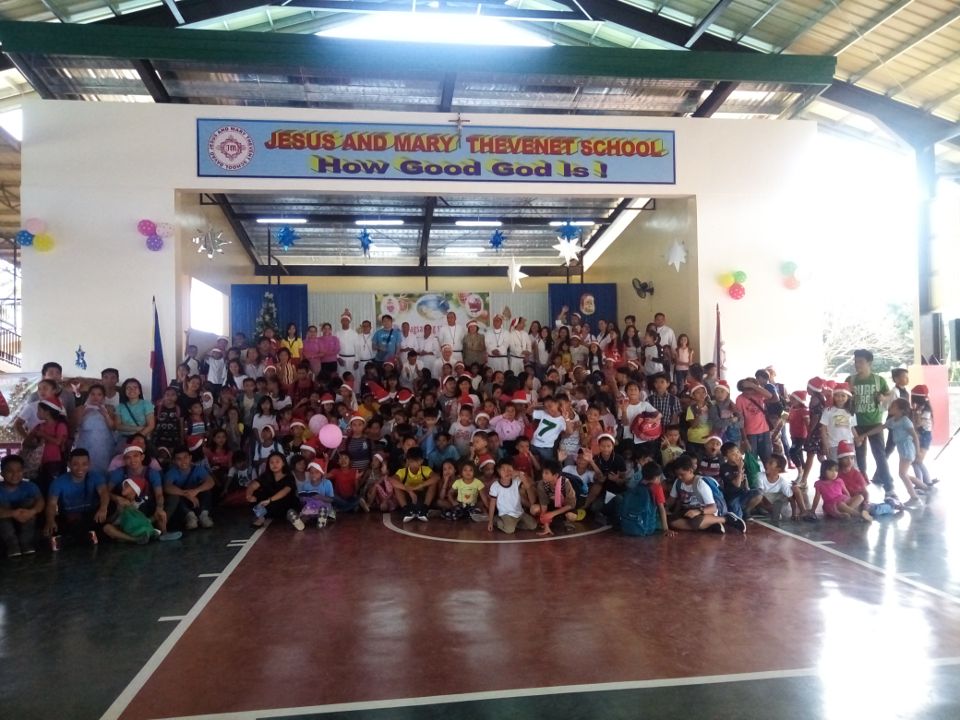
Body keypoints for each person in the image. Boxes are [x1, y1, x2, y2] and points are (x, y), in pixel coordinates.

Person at [845, 349, 894, 494]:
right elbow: (842, 400)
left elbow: (889, 395)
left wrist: (883, 399)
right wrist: (850, 396)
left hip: (875, 423)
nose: (857, 365)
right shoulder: (850, 380)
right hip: (855, 423)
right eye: (855, 361)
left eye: (860, 362)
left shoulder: (879, 380)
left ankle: (889, 486)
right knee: (859, 456)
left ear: (869, 363)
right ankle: (861, 485)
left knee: (880, 455)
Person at [862, 398, 924, 508]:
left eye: (893, 406)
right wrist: (865, 434)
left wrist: (918, 451)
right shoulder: (893, 420)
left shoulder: (905, 421)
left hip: (907, 448)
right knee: (904, 474)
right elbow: (880, 427)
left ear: (901, 410)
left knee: (902, 474)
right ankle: (924, 486)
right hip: (902, 449)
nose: (890, 407)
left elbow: (914, 436)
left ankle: (914, 498)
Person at [45, 448, 110, 551]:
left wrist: (103, 508)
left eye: (84, 464)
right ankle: (87, 536)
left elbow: (104, 493)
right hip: (69, 517)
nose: (80, 468)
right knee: (53, 527)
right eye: (75, 464)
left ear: (89, 464)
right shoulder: (58, 482)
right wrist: (50, 520)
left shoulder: (96, 477)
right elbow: (52, 504)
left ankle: (71, 539)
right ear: (69, 464)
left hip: (90, 516)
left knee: (110, 510)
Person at [667, 455, 745, 534]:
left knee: (696, 522)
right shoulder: (678, 482)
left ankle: (726, 519)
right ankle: (709, 525)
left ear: (690, 471)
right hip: (688, 512)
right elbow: (671, 500)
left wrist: (698, 511)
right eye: (677, 475)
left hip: (705, 511)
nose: (679, 477)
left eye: (682, 474)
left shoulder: (700, 484)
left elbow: (713, 508)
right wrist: (663, 508)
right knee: (670, 521)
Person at [0, 455, 44, 557]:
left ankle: (26, 542)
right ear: (2, 473)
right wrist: (13, 513)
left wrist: (32, 511)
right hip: (5, 523)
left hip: (26, 519)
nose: (15, 474)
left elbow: (41, 502)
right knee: (2, 506)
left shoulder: (30, 486)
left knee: (30, 502)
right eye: (10, 471)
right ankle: (12, 544)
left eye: (19, 470)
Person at [246, 452, 303, 530]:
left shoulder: (289, 476)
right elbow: (253, 485)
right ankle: (261, 517)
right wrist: (249, 495)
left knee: (285, 504)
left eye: (277, 462)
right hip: (270, 505)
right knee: (256, 495)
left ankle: (292, 517)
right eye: (271, 462)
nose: (274, 464)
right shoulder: (266, 476)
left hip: (285, 503)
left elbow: (285, 491)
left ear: (283, 463)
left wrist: (270, 500)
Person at [163, 447, 216, 530]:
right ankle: (190, 517)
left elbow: (210, 482)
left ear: (190, 458)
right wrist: (186, 494)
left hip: (197, 500)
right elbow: (167, 487)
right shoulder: (172, 472)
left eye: (185, 457)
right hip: (184, 502)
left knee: (207, 491)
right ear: (174, 461)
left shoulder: (198, 469)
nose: (183, 461)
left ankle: (204, 515)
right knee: (175, 496)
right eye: (179, 459)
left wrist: (196, 491)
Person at [73, 383, 118, 475]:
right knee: (85, 468)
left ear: (103, 397)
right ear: (88, 395)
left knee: (104, 469)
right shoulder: (80, 408)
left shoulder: (109, 408)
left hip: (105, 444)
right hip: (85, 443)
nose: (95, 397)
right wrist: (83, 413)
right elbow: (75, 426)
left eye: (99, 394)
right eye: (92, 394)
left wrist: (105, 414)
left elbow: (113, 427)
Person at [485, 458, 537, 534]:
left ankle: (514, 524)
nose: (507, 472)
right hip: (505, 514)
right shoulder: (495, 486)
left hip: (519, 513)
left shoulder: (516, 481)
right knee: (509, 530)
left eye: (509, 469)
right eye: (503, 470)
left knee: (533, 526)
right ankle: (497, 520)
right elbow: (492, 504)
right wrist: (490, 521)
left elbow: (528, 486)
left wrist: (520, 475)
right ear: (498, 471)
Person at [530, 459, 577, 535]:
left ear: (555, 475)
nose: (543, 475)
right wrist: (546, 527)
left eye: (546, 473)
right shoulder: (542, 484)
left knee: (571, 516)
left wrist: (552, 514)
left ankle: (565, 522)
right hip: (550, 507)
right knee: (534, 509)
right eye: (543, 472)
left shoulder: (565, 483)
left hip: (564, 507)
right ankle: (548, 523)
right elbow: (544, 505)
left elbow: (571, 504)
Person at [390, 446, 436, 522]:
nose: (414, 464)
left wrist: (419, 486)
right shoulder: (403, 471)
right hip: (409, 498)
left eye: (417, 461)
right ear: (407, 461)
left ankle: (424, 509)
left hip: (422, 498)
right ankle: (406, 510)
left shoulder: (425, 469)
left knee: (433, 483)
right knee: (396, 486)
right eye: (412, 461)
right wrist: (409, 490)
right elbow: (391, 480)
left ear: (422, 461)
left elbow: (436, 478)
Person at [819, 383, 858, 462]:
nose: (840, 398)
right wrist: (825, 444)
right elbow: (823, 429)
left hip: (849, 445)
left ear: (848, 397)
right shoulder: (828, 411)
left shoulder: (851, 412)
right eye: (837, 395)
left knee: (851, 468)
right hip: (833, 445)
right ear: (834, 396)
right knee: (835, 467)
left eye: (843, 396)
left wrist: (857, 438)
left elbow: (852, 428)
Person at [115, 378, 156, 444]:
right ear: (124, 391)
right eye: (128, 388)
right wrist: (138, 428)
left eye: (135, 387)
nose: (132, 390)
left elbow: (151, 425)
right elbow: (118, 426)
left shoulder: (146, 404)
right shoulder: (120, 407)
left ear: (139, 391)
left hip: (142, 437)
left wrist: (138, 437)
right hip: (124, 439)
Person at [910, 385, 936, 488]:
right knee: (916, 461)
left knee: (917, 461)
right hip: (920, 436)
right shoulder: (919, 408)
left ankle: (922, 483)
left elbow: (919, 424)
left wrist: (917, 413)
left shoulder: (925, 410)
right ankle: (925, 482)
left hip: (924, 436)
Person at [336, 309, 361, 376]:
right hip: (341, 360)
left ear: (349, 322)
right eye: (343, 320)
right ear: (341, 322)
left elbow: (357, 348)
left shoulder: (354, 333)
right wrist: (338, 358)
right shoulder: (337, 334)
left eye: (346, 320)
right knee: (341, 377)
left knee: (353, 378)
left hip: (352, 360)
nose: (344, 322)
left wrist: (356, 361)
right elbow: (335, 348)